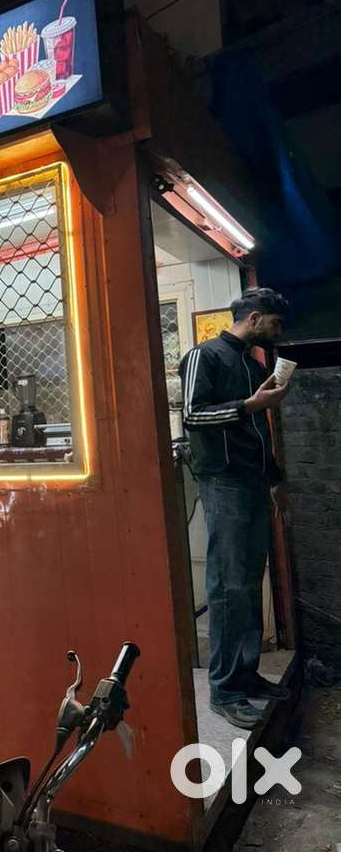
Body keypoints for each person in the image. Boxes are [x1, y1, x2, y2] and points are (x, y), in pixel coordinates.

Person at [179, 288, 291, 729]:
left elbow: (259, 430)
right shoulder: (203, 356)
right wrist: (248, 405)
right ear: (255, 318)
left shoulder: (252, 364)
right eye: (274, 324)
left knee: (247, 581)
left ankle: (244, 674)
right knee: (227, 585)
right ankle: (223, 690)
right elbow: (192, 415)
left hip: (254, 482)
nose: (277, 332)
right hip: (223, 481)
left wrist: (275, 479)